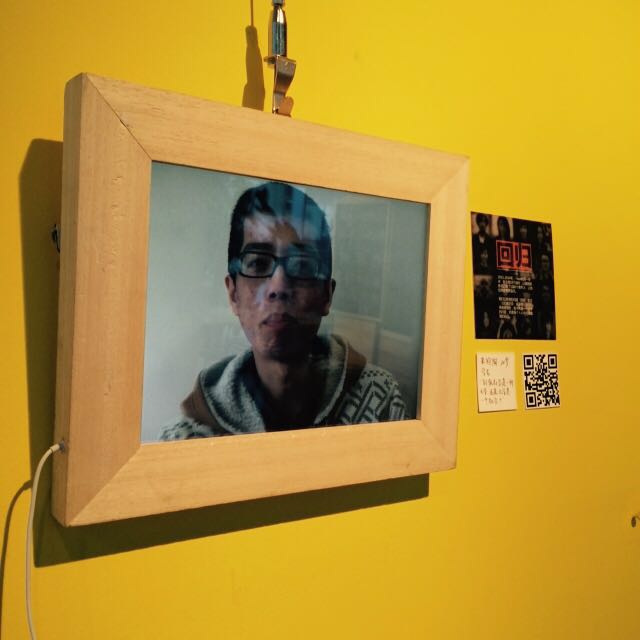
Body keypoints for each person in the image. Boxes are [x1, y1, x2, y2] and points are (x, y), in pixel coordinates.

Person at [160, 181, 407, 440]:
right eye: (258, 263)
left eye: (301, 265)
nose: (278, 287)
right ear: (233, 294)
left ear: (326, 295)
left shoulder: (379, 402)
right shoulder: (185, 438)